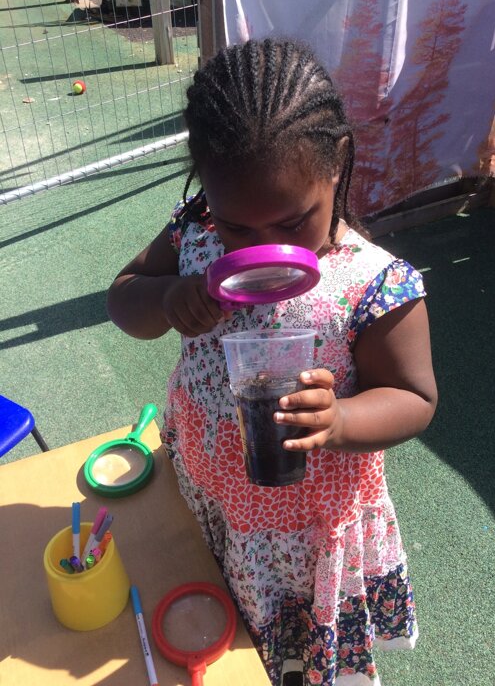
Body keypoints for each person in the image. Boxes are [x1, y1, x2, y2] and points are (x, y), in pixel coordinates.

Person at [107, 38, 438, 686]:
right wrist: (168, 297)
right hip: (211, 487)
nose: (265, 250)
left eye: (292, 223)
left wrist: (340, 419)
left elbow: (414, 397)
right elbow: (123, 298)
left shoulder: (373, 284)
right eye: (239, 229)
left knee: (296, 656)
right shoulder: (196, 231)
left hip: (302, 532)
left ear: (336, 164)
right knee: (229, 633)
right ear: (207, 189)